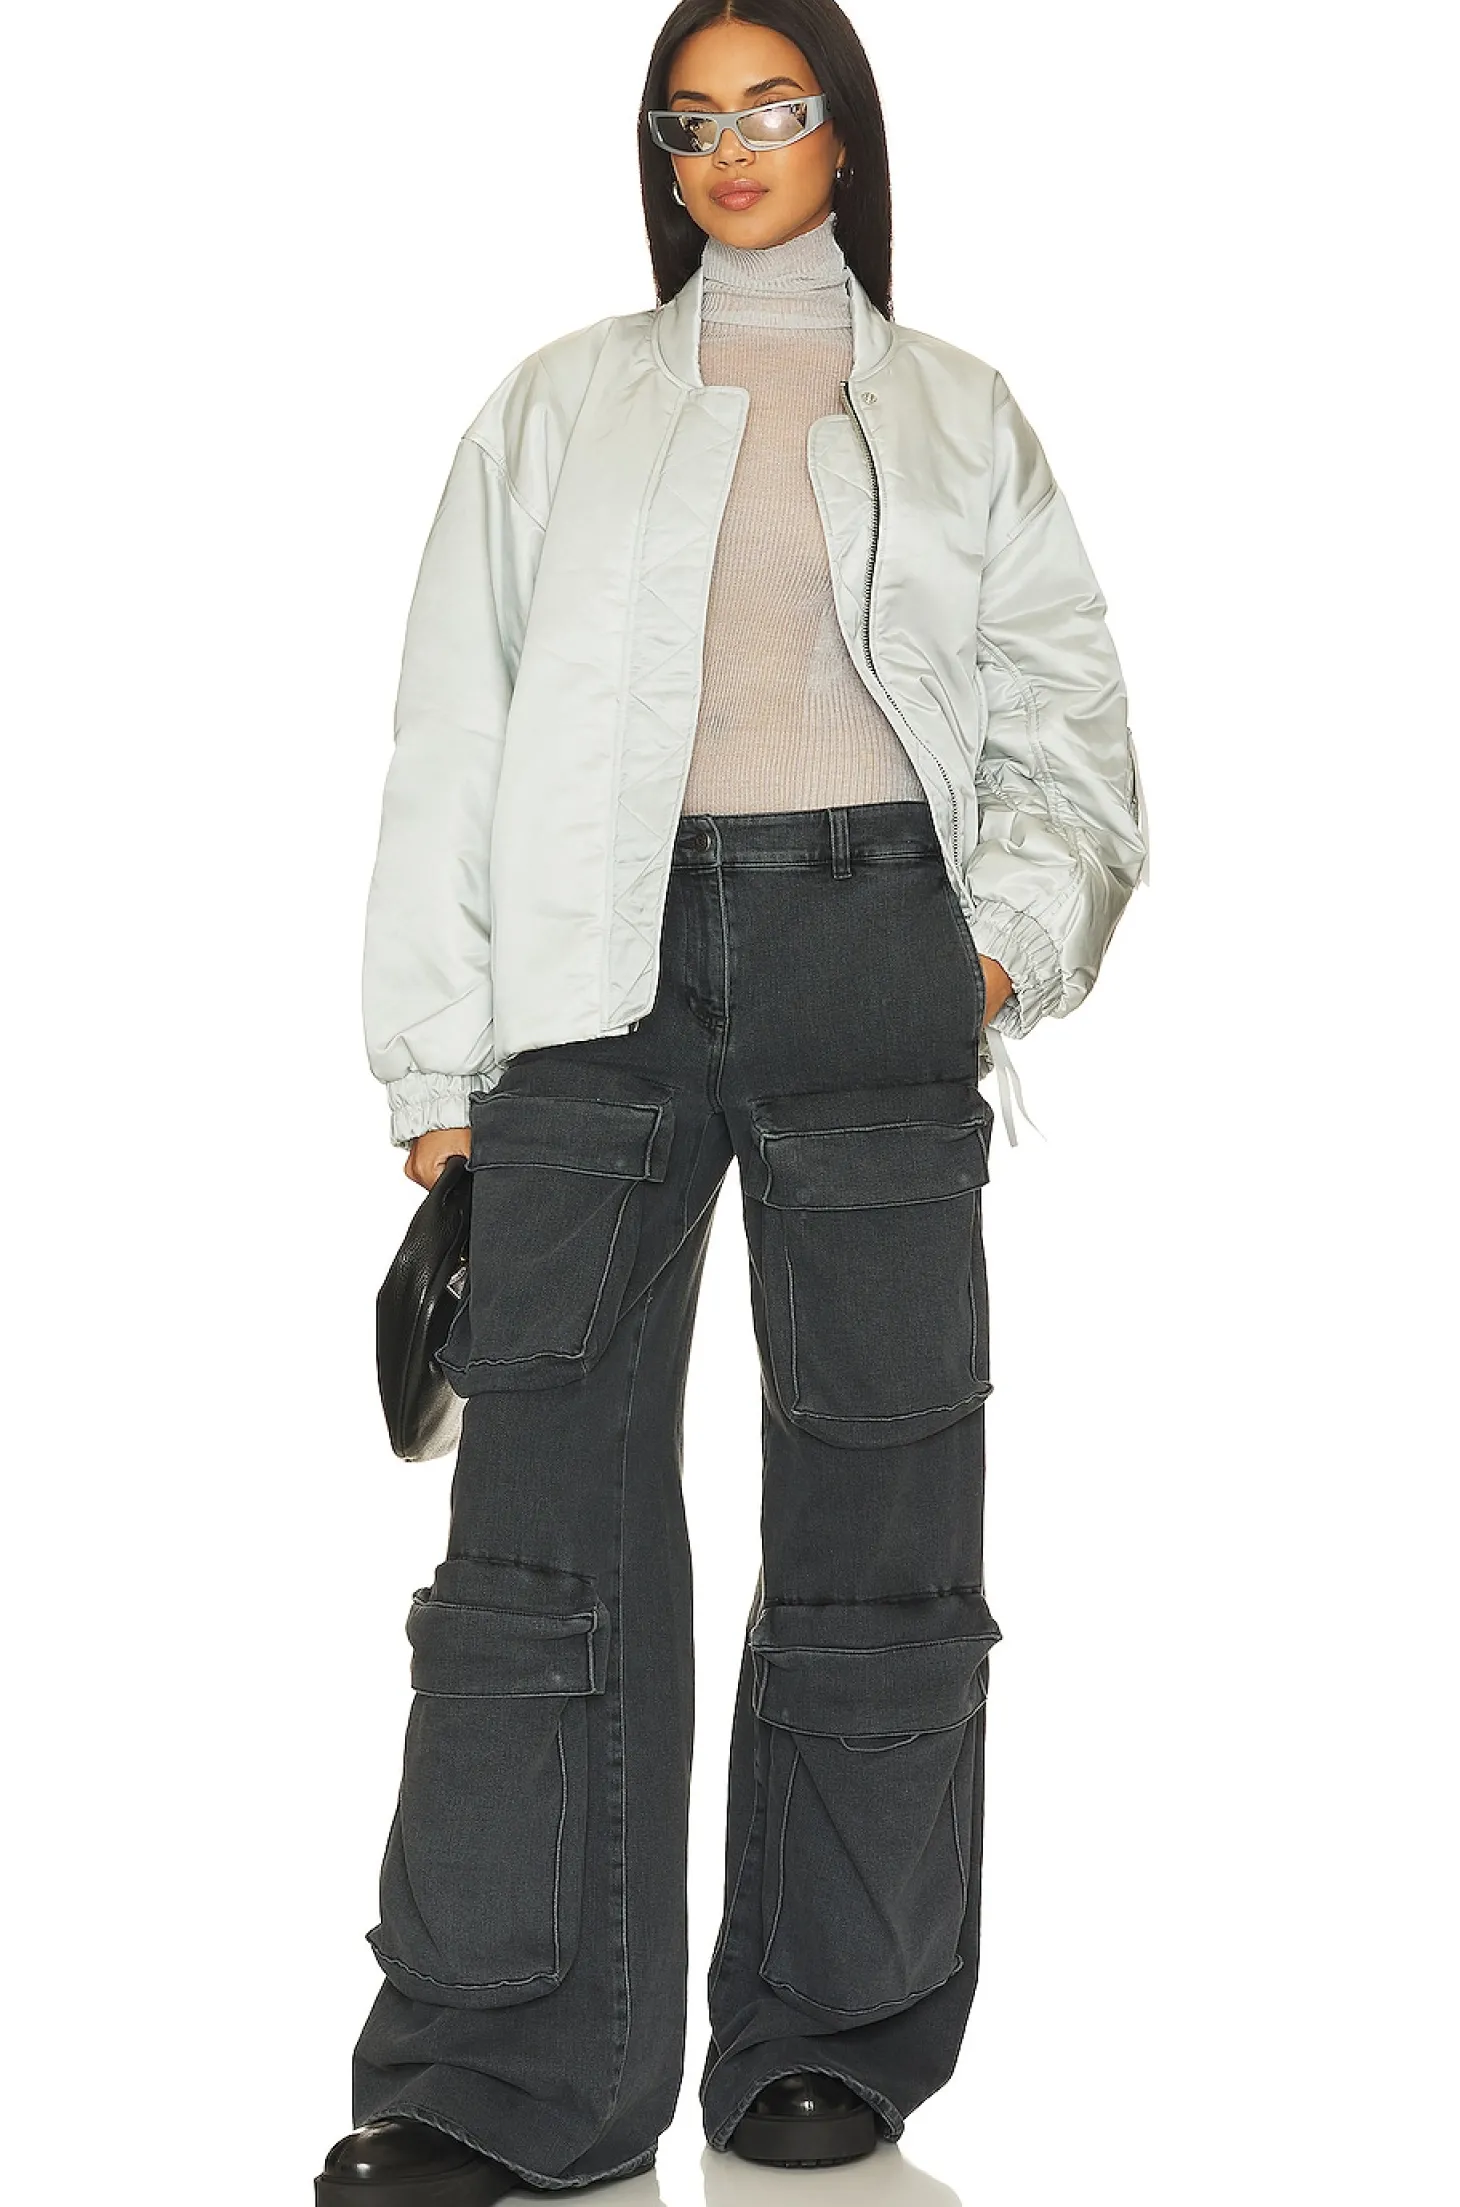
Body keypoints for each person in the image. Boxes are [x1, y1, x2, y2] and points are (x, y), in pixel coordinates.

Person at [316, 3, 1148, 2199]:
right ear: (662, 158)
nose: (733, 150)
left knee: (881, 1505)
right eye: (693, 123)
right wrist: (436, 1054)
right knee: (536, 1528)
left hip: (873, 947)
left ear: (844, 135)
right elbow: (455, 727)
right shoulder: (557, 406)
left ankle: (830, 2040)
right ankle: (508, 2071)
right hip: (590, 979)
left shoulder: (959, 412)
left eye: (774, 110)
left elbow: (1069, 723)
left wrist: (986, 956)